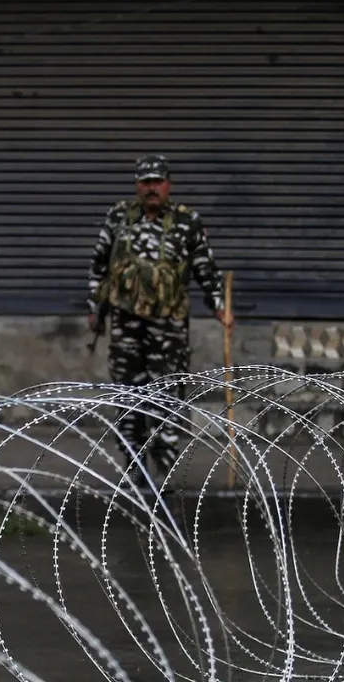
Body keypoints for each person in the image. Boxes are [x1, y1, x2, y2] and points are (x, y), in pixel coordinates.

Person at [86, 154, 233, 488]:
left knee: (166, 397)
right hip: (126, 328)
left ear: (168, 184)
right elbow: (99, 265)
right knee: (128, 396)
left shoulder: (187, 222)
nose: (151, 188)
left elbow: (205, 270)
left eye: (157, 181)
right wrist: (94, 310)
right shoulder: (118, 218)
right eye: (145, 182)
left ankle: (165, 473)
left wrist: (219, 307)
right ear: (137, 185)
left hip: (168, 330)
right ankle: (134, 469)